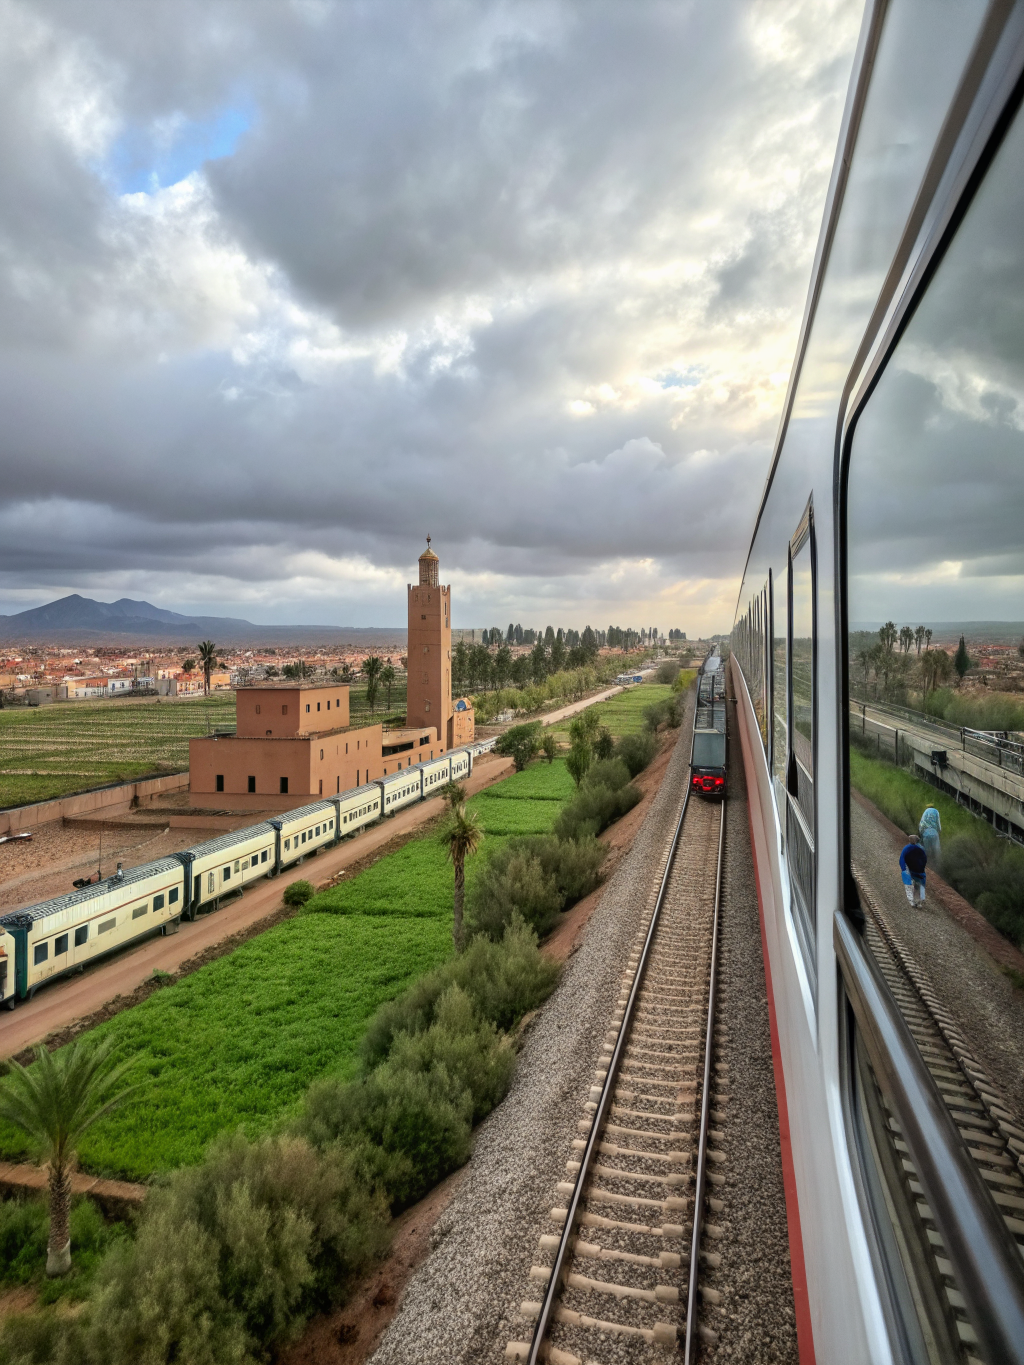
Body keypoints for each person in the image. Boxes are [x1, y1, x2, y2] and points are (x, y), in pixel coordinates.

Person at [899, 834, 928, 906]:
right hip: (919, 870)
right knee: (917, 884)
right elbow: (924, 859)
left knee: (908, 885)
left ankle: (911, 901)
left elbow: (902, 859)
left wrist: (903, 869)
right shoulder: (921, 848)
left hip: (908, 868)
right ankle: (919, 901)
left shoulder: (906, 848)